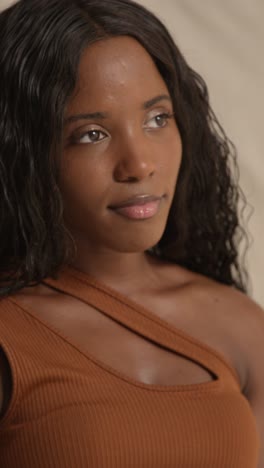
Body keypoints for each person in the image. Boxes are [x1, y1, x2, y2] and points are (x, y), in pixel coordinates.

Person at [0, 0, 263, 466]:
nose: (140, 164)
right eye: (91, 134)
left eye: (157, 119)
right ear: (23, 152)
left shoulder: (241, 327)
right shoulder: (11, 334)